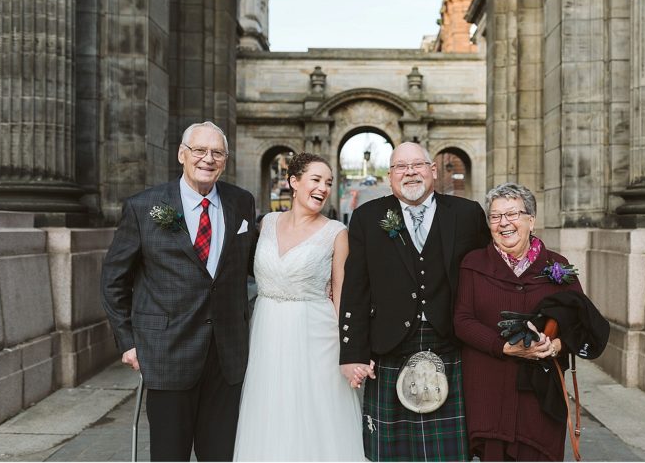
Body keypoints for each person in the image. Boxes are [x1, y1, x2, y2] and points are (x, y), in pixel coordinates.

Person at [101, 121, 257, 461]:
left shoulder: (241, 203)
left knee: (221, 455)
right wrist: (127, 341)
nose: (208, 159)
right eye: (200, 151)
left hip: (227, 356)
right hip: (166, 353)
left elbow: (255, 264)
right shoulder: (144, 206)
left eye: (217, 152)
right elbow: (114, 279)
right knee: (169, 454)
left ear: (225, 160)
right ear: (182, 155)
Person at [339, 142, 490, 461]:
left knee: (449, 453)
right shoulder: (368, 216)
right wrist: (352, 352)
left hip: (450, 343)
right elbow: (356, 288)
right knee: (392, 454)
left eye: (417, 165)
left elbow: (485, 277)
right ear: (390, 175)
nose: (410, 172)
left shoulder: (466, 214)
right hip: (390, 346)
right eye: (400, 167)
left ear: (433, 171)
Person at [233, 153, 366, 461]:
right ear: (293, 182)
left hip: (316, 337)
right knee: (270, 410)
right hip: (266, 332)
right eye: (316, 180)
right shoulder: (265, 223)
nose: (323, 188)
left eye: (328, 183)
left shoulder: (336, 233)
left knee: (315, 413)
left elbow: (340, 293)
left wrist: (351, 350)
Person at [453, 182, 583, 461]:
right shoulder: (473, 264)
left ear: (531, 219)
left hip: (540, 397)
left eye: (512, 214)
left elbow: (580, 324)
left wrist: (556, 346)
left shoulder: (558, 266)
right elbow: (462, 320)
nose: (504, 223)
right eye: (496, 216)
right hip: (489, 392)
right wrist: (503, 347)